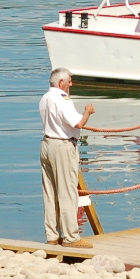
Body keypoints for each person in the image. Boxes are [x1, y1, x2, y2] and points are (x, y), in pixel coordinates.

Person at [39, 67, 94, 245]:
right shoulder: (61, 98)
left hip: (47, 143)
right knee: (67, 191)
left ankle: (52, 235)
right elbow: (77, 123)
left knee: (50, 192)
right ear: (61, 82)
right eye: (69, 81)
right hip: (62, 146)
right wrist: (88, 112)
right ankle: (71, 236)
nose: (71, 84)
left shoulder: (45, 98)